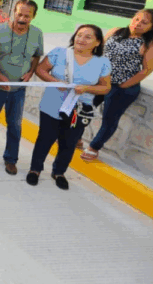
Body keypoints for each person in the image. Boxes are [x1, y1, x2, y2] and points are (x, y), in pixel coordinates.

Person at [28, 25, 112, 190]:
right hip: (52, 105)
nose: (81, 39)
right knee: (44, 140)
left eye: (87, 37)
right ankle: (35, 169)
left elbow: (105, 87)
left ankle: (59, 172)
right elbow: (40, 69)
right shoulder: (60, 53)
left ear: (98, 42)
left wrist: (86, 88)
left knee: (69, 142)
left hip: (79, 110)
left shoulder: (102, 62)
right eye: (79, 35)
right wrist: (55, 82)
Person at [81, 9, 153, 161]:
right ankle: (75, 138)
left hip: (122, 88)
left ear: (152, 27)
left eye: (144, 23)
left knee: (109, 120)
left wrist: (124, 85)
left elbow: (147, 70)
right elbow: (99, 51)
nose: (138, 24)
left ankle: (94, 147)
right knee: (84, 109)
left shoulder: (149, 45)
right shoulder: (115, 32)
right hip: (101, 81)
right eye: (136, 19)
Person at [0, 0, 44, 175]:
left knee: (15, 125)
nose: (22, 18)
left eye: (27, 16)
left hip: (18, 89)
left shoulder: (37, 34)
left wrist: (31, 72)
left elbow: (37, 56)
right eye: (19, 14)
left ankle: (10, 159)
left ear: (33, 16)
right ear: (13, 12)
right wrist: (0, 78)